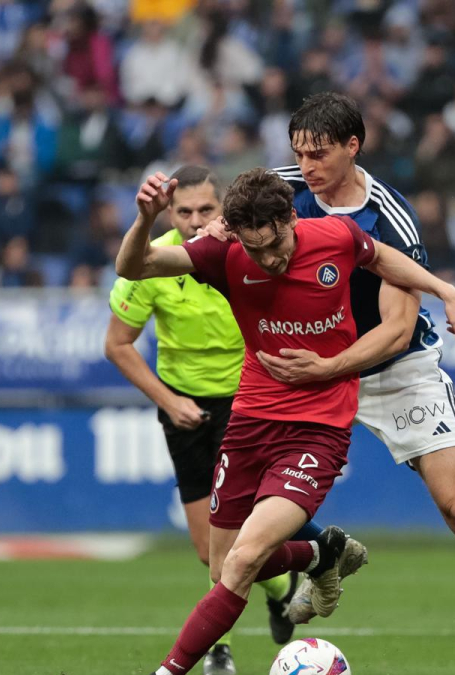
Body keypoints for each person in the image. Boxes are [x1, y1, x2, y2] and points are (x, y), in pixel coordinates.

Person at [116, 168, 455, 675]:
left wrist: (445, 290)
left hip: (317, 429)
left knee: (243, 561)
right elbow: (135, 266)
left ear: (292, 218)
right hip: (249, 423)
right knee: (222, 567)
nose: (269, 259)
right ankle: (319, 554)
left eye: (275, 244)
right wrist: (144, 221)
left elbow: (384, 257)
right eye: (255, 249)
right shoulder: (223, 253)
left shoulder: (335, 235)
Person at [242, 92, 455, 675]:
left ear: (353, 146)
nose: (306, 166)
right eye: (299, 153)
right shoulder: (280, 192)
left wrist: (327, 368)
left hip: (395, 371)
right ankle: (325, 553)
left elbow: (396, 329)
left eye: (319, 153)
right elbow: (229, 228)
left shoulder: (389, 217)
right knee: (246, 494)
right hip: (312, 368)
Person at [103, 166, 298, 675]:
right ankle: (283, 587)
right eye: (184, 211)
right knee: (207, 549)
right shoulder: (156, 261)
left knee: (239, 539)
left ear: (224, 207)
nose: (194, 221)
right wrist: (169, 401)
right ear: (170, 213)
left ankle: (218, 649)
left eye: (205, 210)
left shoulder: (247, 250)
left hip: (248, 401)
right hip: (185, 408)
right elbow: (117, 345)